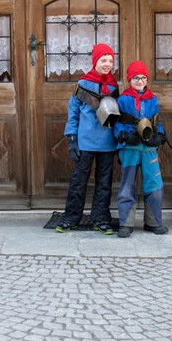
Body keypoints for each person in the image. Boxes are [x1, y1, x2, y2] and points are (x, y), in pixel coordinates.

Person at [56, 43, 120, 235]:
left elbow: (117, 115)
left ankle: (101, 218)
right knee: (79, 181)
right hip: (85, 142)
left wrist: (120, 141)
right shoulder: (84, 84)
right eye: (103, 60)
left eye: (110, 60)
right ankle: (71, 218)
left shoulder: (114, 86)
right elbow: (73, 111)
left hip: (107, 142)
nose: (107, 64)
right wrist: (72, 138)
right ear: (95, 61)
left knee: (104, 182)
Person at [113, 61, 168, 238]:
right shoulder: (122, 100)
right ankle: (126, 223)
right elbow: (116, 123)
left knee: (154, 183)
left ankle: (153, 222)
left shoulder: (153, 100)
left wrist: (160, 135)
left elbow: (156, 121)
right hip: (130, 147)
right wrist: (123, 135)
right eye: (136, 78)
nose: (140, 81)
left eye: (143, 78)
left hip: (149, 148)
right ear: (129, 79)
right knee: (127, 184)